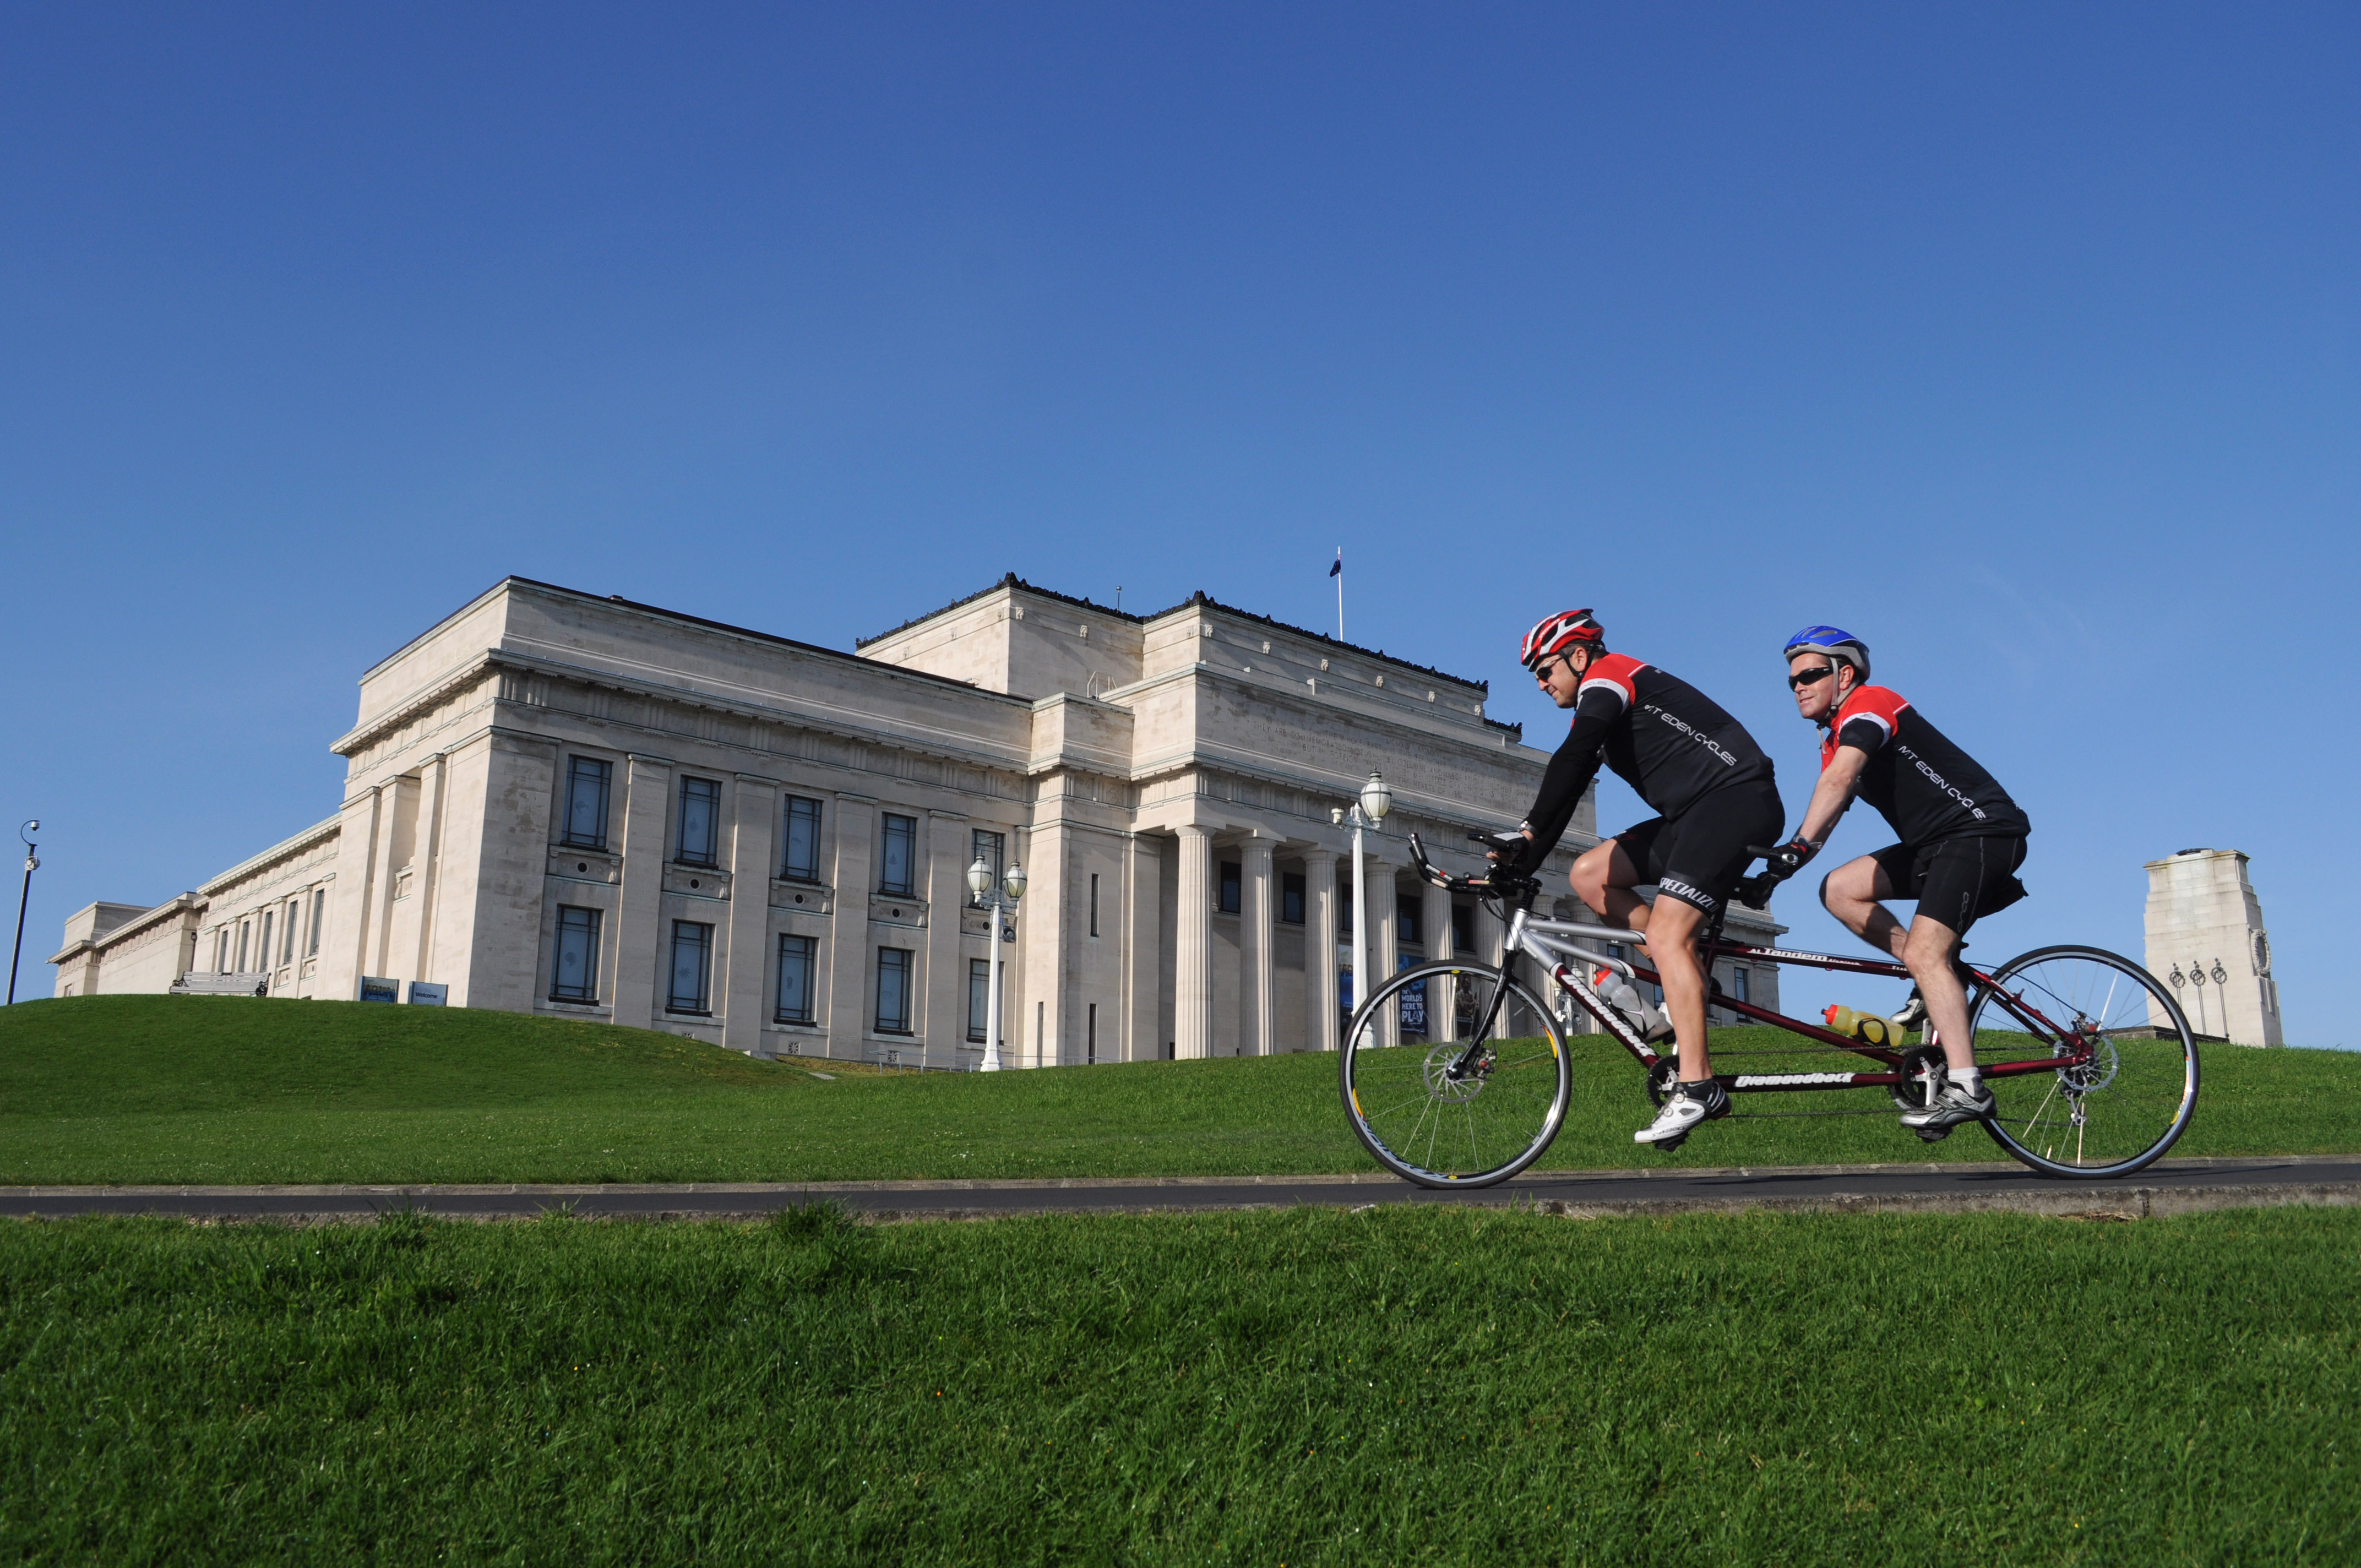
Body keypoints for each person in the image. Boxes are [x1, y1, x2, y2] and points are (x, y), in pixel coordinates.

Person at [1494, 609, 1784, 1150]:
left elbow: (1572, 758)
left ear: (1578, 657)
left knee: (1669, 935)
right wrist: (1522, 858)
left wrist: (1527, 831)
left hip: (1735, 800)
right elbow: (1573, 780)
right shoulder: (1599, 703)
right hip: (1693, 816)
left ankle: (1697, 1084)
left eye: (1544, 668)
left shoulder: (1609, 679)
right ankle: (1687, 975)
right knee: (1589, 875)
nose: (1539, 681)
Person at [1748, 627, 2031, 1136]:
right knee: (1839, 889)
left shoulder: (1874, 704)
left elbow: (1837, 782)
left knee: (1928, 953)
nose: (1799, 687)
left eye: (1811, 675)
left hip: (1981, 832)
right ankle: (1932, 974)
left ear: (1846, 674)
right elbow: (1830, 813)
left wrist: (1795, 845)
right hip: (1936, 846)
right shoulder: (1834, 737)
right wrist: (1777, 873)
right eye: (1791, 681)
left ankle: (1968, 1087)